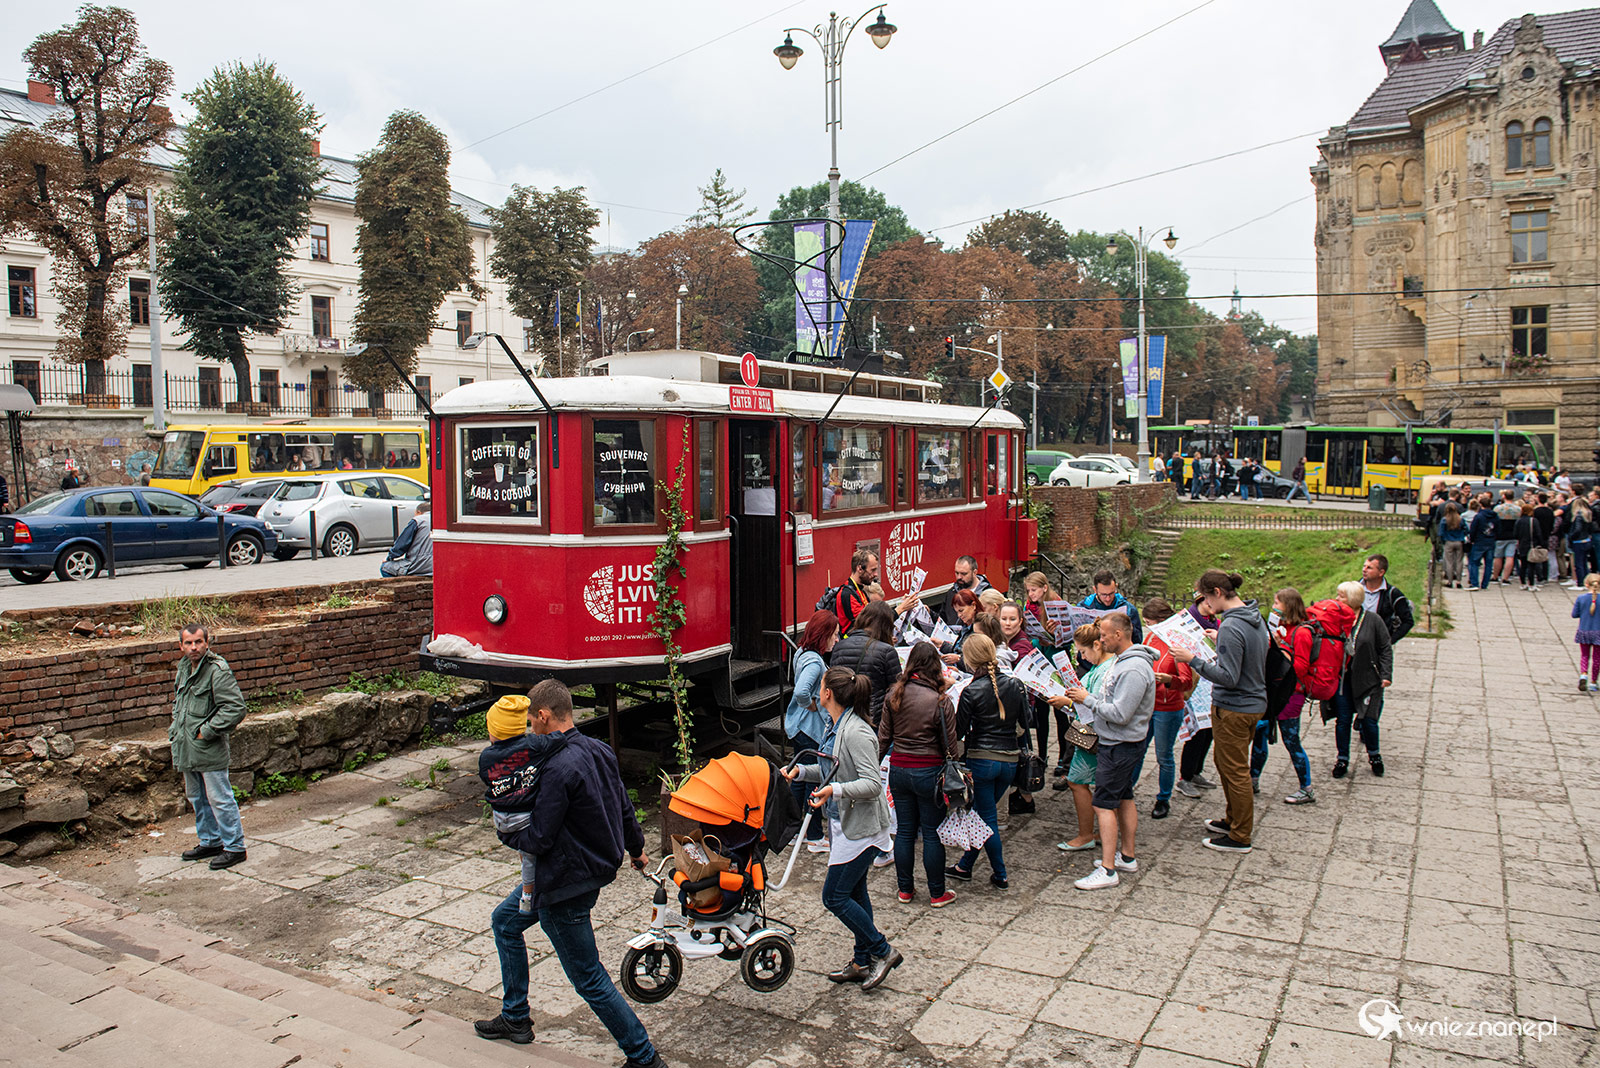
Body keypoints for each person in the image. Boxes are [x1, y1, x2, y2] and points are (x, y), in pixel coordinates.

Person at [479, 681, 661, 1067]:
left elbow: (539, 838)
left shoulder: (555, 767)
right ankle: (515, 1018)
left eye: (530, 721)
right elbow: (623, 803)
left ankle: (644, 1057)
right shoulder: (598, 748)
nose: (529, 729)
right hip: (584, 869)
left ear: (543, 716)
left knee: (588, 977)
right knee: (505, 923)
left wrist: (505, 833)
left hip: (564, 883)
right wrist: (637, 848)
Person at [785, 668, 902, 989]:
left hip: (861, 828)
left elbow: (871, 784)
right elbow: (830, 769)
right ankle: (862, 961)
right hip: (843, 822)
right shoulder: (832, 725)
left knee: (834, 897)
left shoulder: (856, 732)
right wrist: (799, 772)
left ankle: (883, 950)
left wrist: (834, 791)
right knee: (855, 891)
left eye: (820, 686)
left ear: (827, 694)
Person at [1171, 570, 1268, 854]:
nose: (1205, 605)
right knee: (1228, 765)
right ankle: (1233, 819)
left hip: (1235, 707)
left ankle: (1240, 836)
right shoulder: (1251, 616)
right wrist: (1218, 639)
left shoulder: (1232, 626)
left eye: (1204, 597)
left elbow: (1229, 676)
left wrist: (1193, 660)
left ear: (1216, 592)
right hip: (1252, 703)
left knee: (1235, 771)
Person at [1067, 612, 1155, 890]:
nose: (1100, 640)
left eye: (1104, 635)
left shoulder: (1132, 669)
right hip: (1121, 742)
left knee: (1103, 804)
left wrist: (1087, 699)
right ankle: (1126, 856)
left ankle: (1107, 871)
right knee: (1125, 797)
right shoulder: (1126, 662)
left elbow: (1120, 713)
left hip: (1119, 743)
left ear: (1119, 635)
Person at [879, 642, 958, 908]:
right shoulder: (939, 700)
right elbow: (951, 746)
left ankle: (905, 890)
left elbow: (883, 738)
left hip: (899, 770)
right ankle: (937, 893)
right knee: (933, 833)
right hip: (929, 771)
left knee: (903, 832)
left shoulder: (894, 694)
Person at [946, 634, 1027, 890]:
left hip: (982, 759)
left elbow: (957, 731)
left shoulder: (971, 691)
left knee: (987, 818)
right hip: (1010, 760)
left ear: (969, 660)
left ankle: (1000, 874)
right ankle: (965, 865)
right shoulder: (1015, 684)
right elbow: (1026, 722)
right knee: (983, 815)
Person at [170, 623, 249, 870]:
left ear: (207, 643)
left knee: (219, 798)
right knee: (197, 797)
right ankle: (211, 841)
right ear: (181, 646)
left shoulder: (217, 670)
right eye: (189, 643)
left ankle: (235, 847)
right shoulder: (184, 667)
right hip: (186, 745)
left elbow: (235, 708)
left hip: (207, 746)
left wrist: (207, 731)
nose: (194, 647)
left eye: (198, 642)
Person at [479, 695, 566, 915]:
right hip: (524, 816)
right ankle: (528, 895)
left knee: (524, 851)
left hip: (500, 816)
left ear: (495, 731)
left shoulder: (487, 756)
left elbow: (486, 777)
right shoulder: (533, 746)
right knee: (530, 854)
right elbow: (560, 739)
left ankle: (527, 876)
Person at [1252, 588, 1318, 805]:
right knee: (1260, 732)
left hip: (1291, 695)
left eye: (1277, 603)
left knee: (1291, 739)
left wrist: (1281, 654)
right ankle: (1253, 779)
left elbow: (1300, 666)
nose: (1274, 607)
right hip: (1274, 692)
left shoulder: (1302, 633)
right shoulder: (1285, 629)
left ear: (1288, 606)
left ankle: (1306, 788)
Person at [1326, 582, 1392, 780]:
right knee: (1343, 720)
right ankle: (1342, 759)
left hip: (1368, 680)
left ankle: (1374, 756)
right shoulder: (1335, 619)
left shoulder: (1373, 620)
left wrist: (1386, 674)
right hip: (1343, 679)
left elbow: (1385, 648)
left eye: (1341, 596)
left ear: (1353, 599)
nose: (1337, 599)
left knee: (1369, 721)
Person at [1054, 623, 1109, 850]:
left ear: (1097, 645)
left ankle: (1086, 834)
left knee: (1078, 781)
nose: (1081, 657)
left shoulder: (1104, 670)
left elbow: (1092, 703)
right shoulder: (1102, 666)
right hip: (1095, 735)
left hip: (1094, 736)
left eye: (1083, 652)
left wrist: (1066, 702)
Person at [787, 611, 839, 851]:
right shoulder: (814, 661)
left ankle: (794, 829)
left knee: (798, 778)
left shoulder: (801, 653)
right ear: (824, 635)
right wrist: (813, 704)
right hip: (809, 728)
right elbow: (800, 692)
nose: (837, 640)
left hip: (798, 727)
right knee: (812, 780)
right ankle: (815, 836)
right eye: (834, 635)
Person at [1139, 598, 1192, 820]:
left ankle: (1163, 798)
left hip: (1168, 706)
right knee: (1137, 749)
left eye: (1150, 622)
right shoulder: (1150, 637)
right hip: (1148, 704)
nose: (1147, 626)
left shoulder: (1177, 641)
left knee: (1164, 755)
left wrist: (1167, 679)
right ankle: (1126, 790)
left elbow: (1186, 681)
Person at [829, 600, 901, 725]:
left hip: (843, 717)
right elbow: (896, 689)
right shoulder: (887, 651)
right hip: (873, 718)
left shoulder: (839, 647)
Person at [1360, 554, 1414, 642]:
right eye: (1364, 566)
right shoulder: (1354, 588)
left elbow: (1408, 621)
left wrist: (1390, 640)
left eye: (1369, 568)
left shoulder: (1392, 594)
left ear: (1381, 572)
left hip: (1378, 646)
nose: (1364, 570)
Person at [1079, 570, 1143, 643]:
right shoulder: (1084, 607)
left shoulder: (1129, 609)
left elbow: (1138, 641)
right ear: (1095, 590)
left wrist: (1129, 628)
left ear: (1116, 587)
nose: (1108, 598)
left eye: (1111, 593)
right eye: (1104, 594)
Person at [380, 502, 433, 577]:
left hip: (419, 564)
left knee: (385, 567)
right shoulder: (440, 518)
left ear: (418, 512)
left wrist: (389, 557)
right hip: (437, 564)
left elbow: (401, 545)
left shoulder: (418, 520)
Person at [940, 555, 991, 625]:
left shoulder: (987, 595)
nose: (959, 577)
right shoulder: (952, 593)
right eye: (956, 573)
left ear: (975, 572)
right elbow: (943, 618)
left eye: (963, 574)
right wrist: (930, 613)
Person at [834, 549, 877, 633]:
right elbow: (867, 622)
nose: (876, 574)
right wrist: (900, 609)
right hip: (850, 644)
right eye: (872, 570)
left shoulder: (860, 591)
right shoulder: (847, 594)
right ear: (860, 569)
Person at [1573, 573, 1600, 691]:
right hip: (1598, 632)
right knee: (1597, 658)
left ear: (1586, 584)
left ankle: (1583, 674)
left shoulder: (1581, 598)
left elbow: (1574, 614)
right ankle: (1594, 682)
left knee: (1584, 655)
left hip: (1584, 630)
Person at [938, 589, 980, 664]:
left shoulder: (980, 628)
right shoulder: (965, 626)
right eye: (957, 612)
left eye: (961, 610)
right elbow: (957, 650)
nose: (959, 615)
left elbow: (978, 659)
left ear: (973, 605)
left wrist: (958, 659)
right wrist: (942, 645)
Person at [1467, 492, 1498, 590]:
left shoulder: (1478, 516)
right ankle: (1485, 584)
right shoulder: (1495, 516)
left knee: (1474, 562)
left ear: (1481, 504)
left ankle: (1474, 583)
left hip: (1479, 542)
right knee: (1488, 564)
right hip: (1490, 541)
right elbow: (1498, 529)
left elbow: (1473, 529)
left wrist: (1471, 539)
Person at [1493, 490, 1522, 584]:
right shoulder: (1518, 509)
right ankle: (1505, 578)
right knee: (1510, 557)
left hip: (1500, 535)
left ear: (1504, 496)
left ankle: (1495, 576)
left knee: (1498, 556)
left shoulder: (1498, 509)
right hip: (1513, 535)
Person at [1568, 496, 1596, 591]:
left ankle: (1580, 583)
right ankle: (1586, 582)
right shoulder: (1588, 514)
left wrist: (1571, 536)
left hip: (1578, 541)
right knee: (1584, 563)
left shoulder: (1578, 516)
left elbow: (1577, 529)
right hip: (1587, 540)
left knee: (1578, 563)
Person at [1438, 503, 1467, 589]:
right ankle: (1459, 581)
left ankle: (1450, 581)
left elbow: (1441, 533)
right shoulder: (1460, 519)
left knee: (1449, 562)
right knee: (1459, 561)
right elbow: (1466, 530)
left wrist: (1443, 541)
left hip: (1449, 541)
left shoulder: (1445, 520)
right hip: (1459, 541)